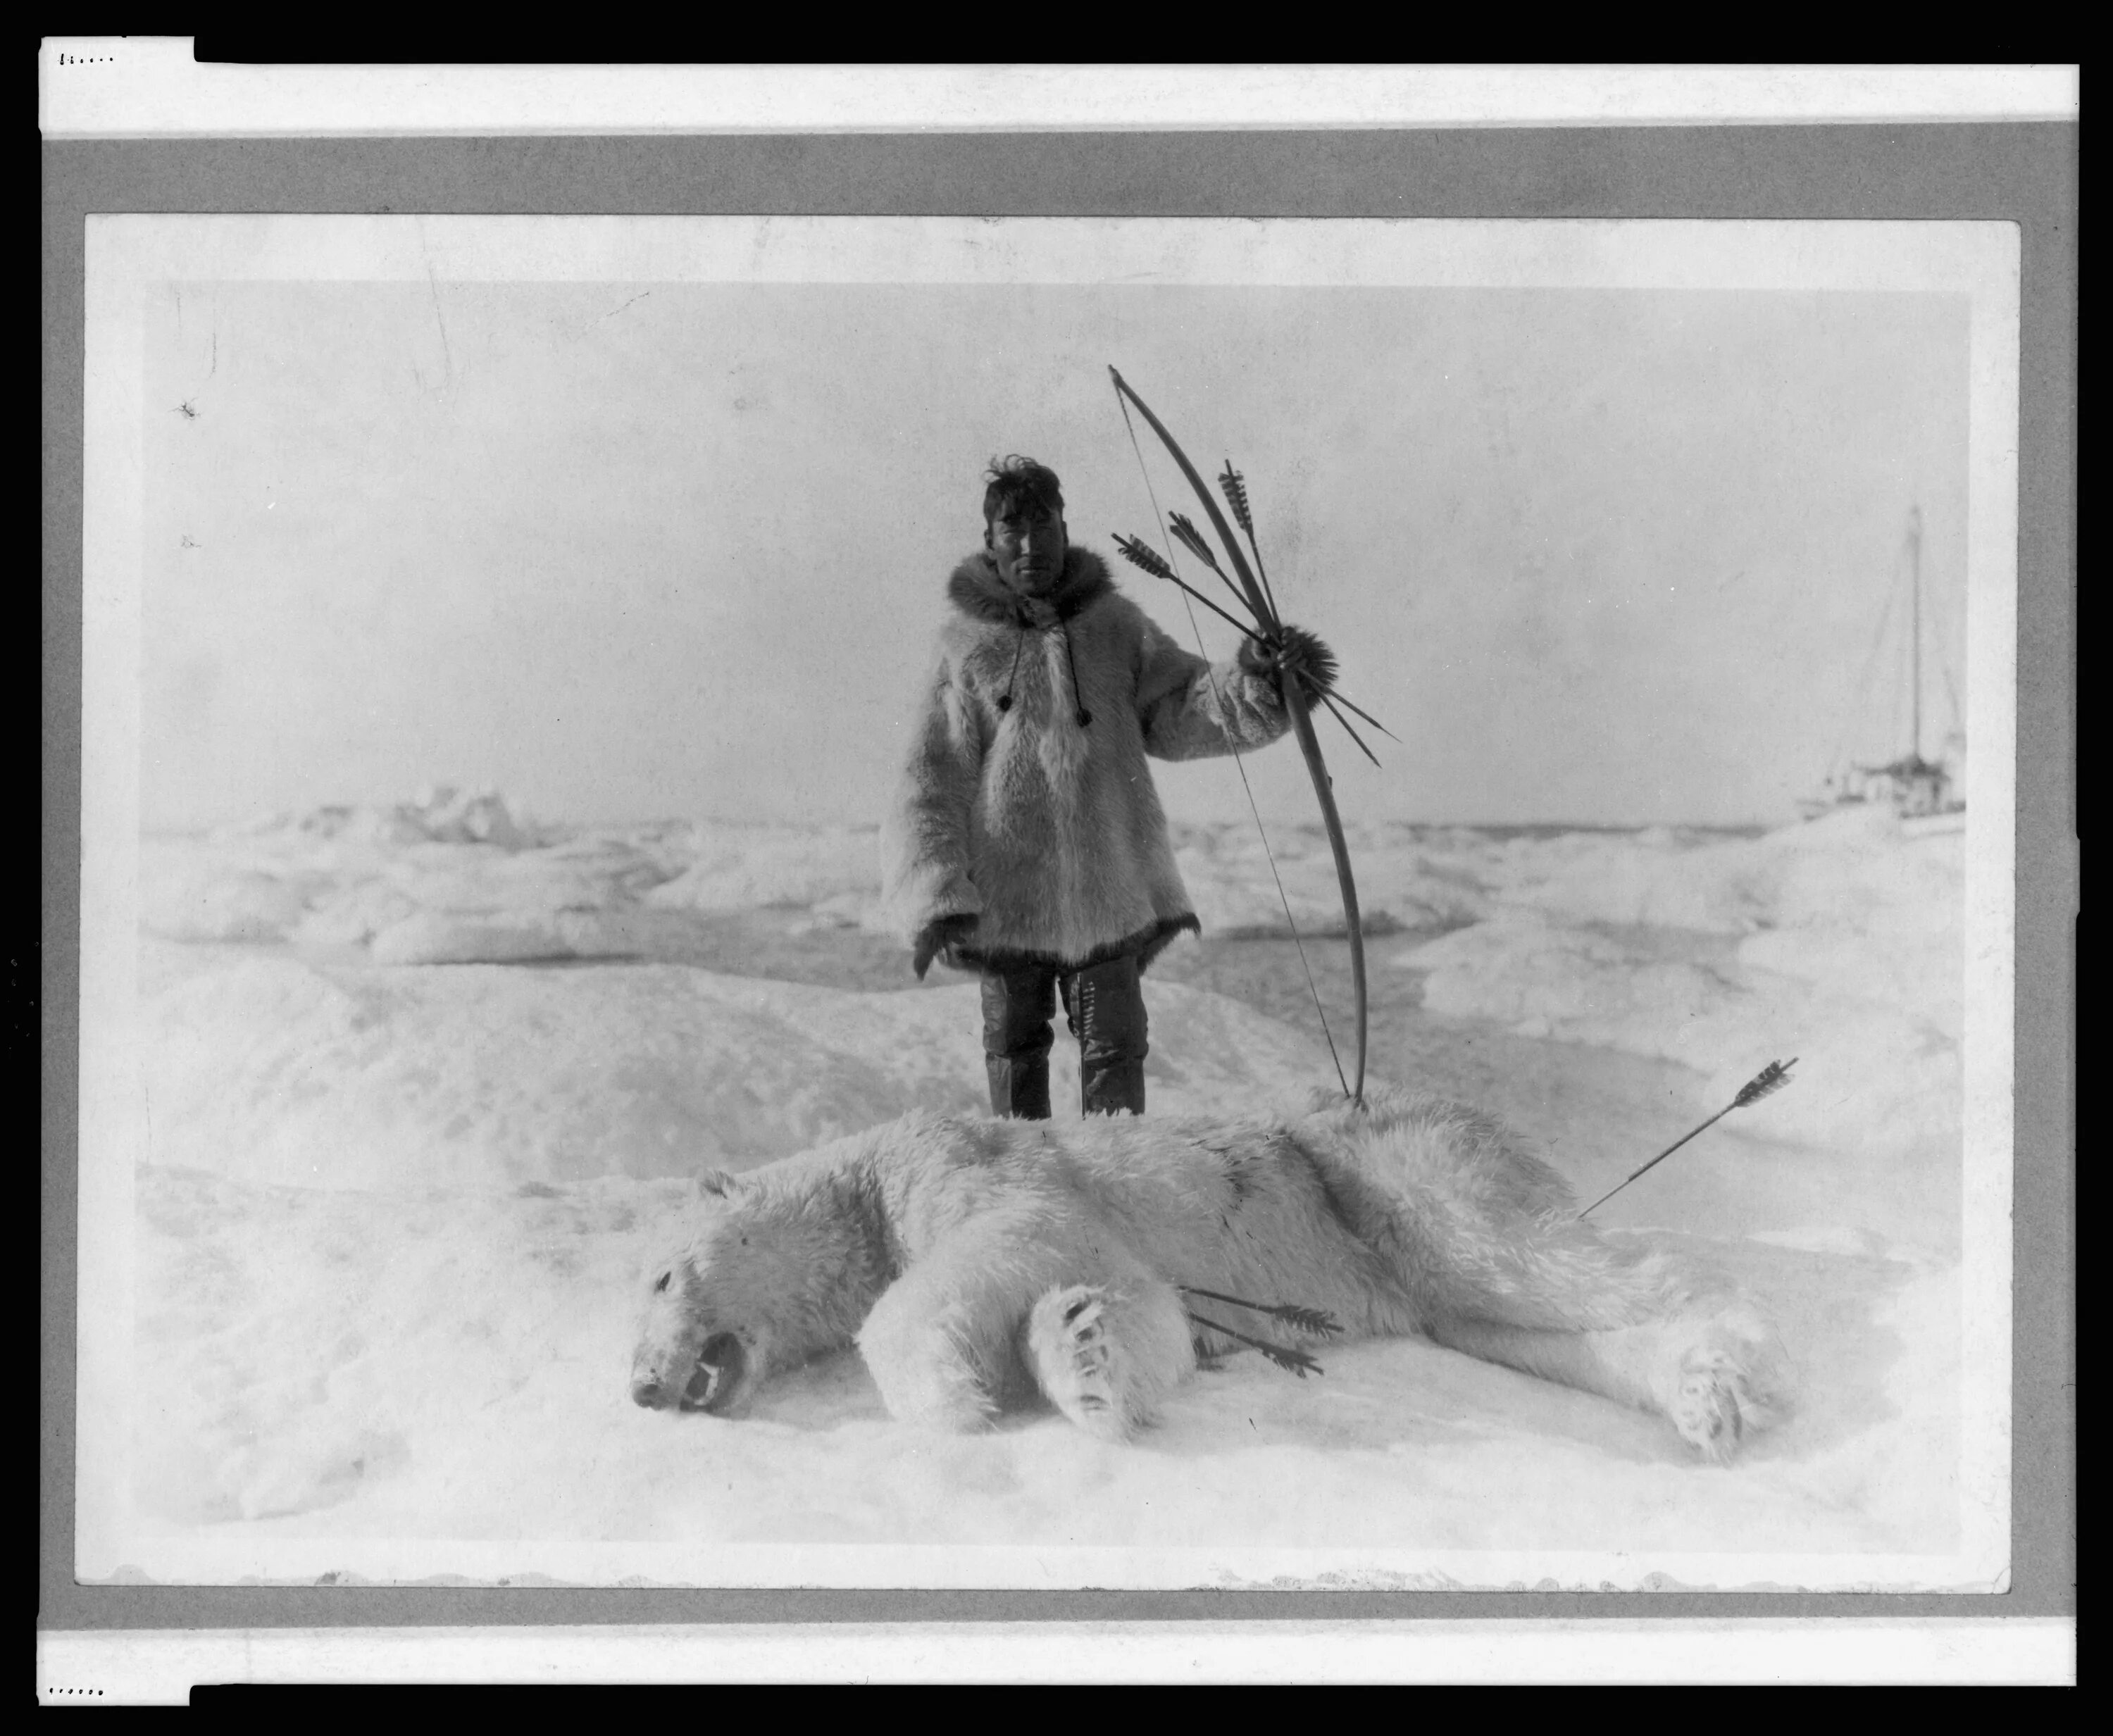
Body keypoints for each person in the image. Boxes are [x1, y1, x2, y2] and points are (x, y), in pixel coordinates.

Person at [880, 455, 1332, 1120]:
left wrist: (1261, 677)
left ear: (1066, 529)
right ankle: (1024, 1195)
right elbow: (930, 778)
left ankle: (1121, 1195)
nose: (1031, 544)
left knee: (1118, 1052)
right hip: (1009, 901)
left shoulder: (1117, 627)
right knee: (1013, 1051)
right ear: (990, 542)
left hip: (1110, 893)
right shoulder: (962, 646)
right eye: (1013, 529)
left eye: (1045, 525)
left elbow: (1184, 708)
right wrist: (939, 896)